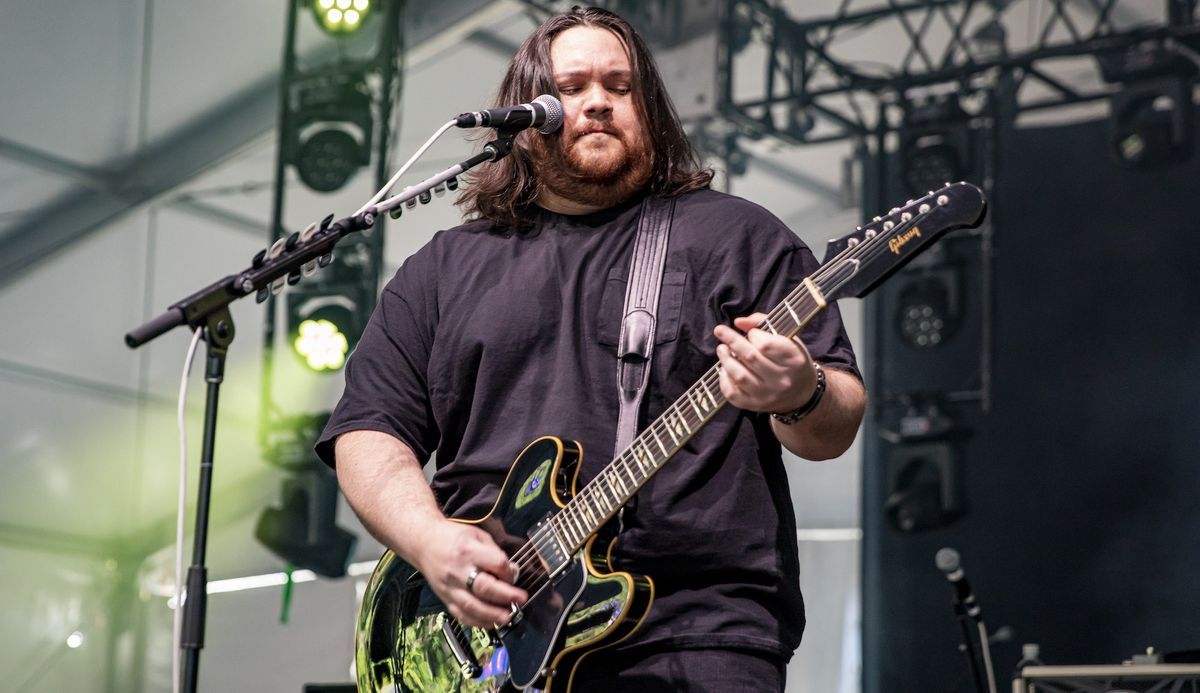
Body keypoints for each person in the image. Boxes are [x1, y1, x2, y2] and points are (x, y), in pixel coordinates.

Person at [316, 6, 866, 691]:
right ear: (524, 118)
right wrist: (430, 542)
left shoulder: (735, 238)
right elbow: (369, 430)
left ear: (651, 110)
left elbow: (835, 421)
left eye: (620, 85)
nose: (598, 101)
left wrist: (800, 389)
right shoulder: (443, 267)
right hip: (484, 639)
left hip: (694, 635)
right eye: (571, 88)